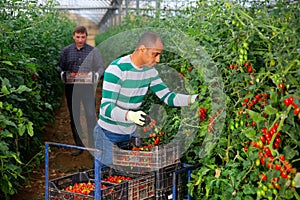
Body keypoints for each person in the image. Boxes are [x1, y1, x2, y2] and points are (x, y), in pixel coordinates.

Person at [94, 31, 200, 166]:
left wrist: (194, 99)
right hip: (109, 135)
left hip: (131, 134)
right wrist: (130, 115)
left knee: (131, 179)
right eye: (155, 54)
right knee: (107, 178)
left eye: (160, 55)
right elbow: (106, 108)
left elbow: (168, 97)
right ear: (142, 49)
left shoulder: (150, 72)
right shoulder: (117, 69)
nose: (158, 60)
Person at [58, 26, 104, 156]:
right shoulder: (66, 51)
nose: (80, 39)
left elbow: (101, 67)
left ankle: (92, 143)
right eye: (78, 37)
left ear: (86, 37)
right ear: (73, 36)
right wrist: (62, 74)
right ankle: (79, 146)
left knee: (90, 114)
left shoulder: (93, 51)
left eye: (83, 37)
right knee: (75, 115)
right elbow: (60, 66)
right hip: (71, 88)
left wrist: (96, 75)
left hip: (87, 87)